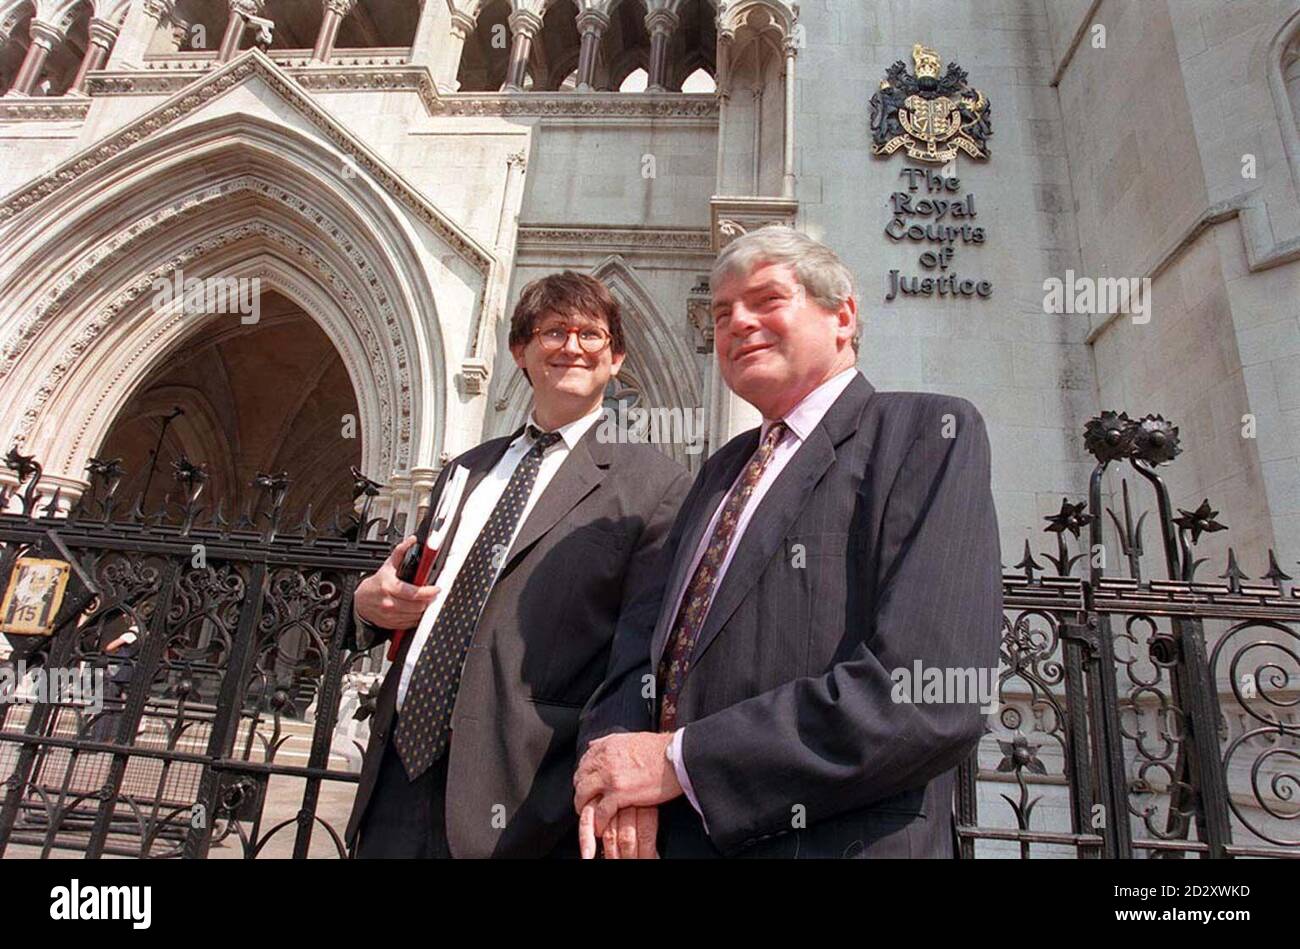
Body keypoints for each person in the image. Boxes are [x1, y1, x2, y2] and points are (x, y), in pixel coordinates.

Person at [574, 227, 1003, 858]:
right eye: (721, 314)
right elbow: (640, 646)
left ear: (842, 316)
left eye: (767, 300)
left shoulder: (923, 434)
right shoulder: (719, 472)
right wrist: (618, 765)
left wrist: (681, 760)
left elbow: (926, 694)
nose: (738, 323)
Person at [345, 271, 690, 858]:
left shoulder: (655, 487)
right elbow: (413, 591)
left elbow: (641, 658)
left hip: (525, 798)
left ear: (617, 357)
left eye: (592, 335)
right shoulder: (466, 470)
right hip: (397, 780)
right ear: (520, 351)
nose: (573, 346)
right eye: (554, 331)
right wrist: (369, 608)